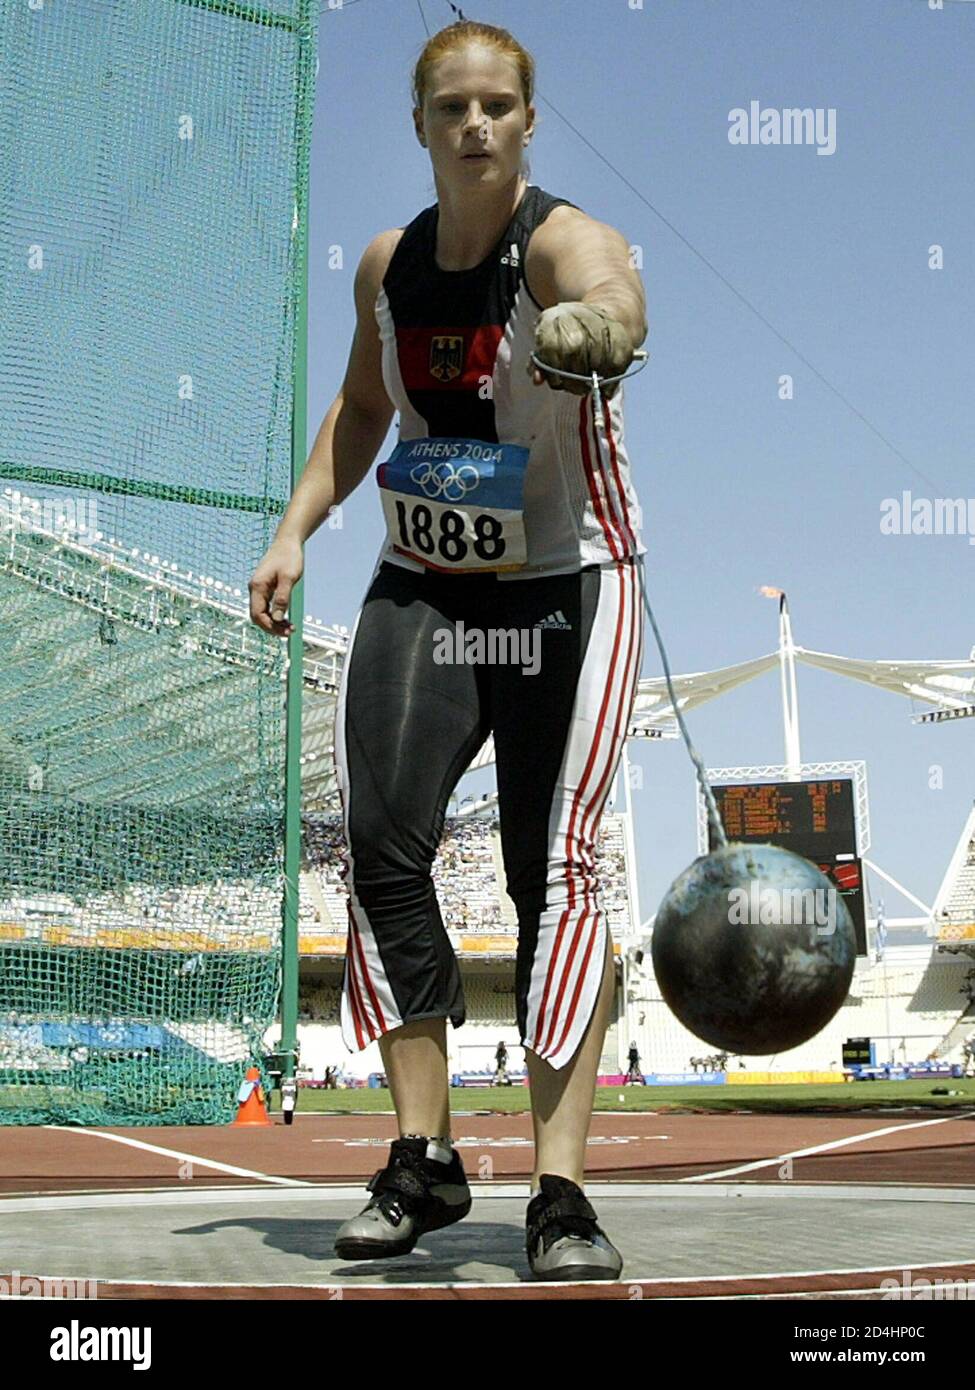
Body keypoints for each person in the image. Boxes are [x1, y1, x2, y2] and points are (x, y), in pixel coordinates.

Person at [249, 20, 646, 1282]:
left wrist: (599, 327)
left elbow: (616, 287)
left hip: (562, 587)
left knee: (554, 877)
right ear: (419, 126)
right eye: (451, 105)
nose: (475, 123)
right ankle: (422, 1160)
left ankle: (564, 1193)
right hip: (425, 585)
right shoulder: (385, 266)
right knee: (380, 847)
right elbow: (365, 408)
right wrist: (296, 528)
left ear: (529, 121)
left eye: (498, 105)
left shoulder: (558, 240)